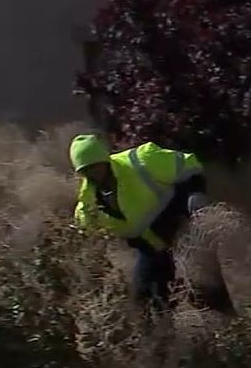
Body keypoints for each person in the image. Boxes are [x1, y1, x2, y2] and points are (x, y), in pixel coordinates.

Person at [69, 134, 212, 313]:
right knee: (146, 304)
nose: (92, 173)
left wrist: (196, 195)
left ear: (104, 160)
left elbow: (190, 165)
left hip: (184, 232)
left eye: (95, 166)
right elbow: (86, 234)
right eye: (85, 170)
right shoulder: (88, 204)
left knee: (207, 289)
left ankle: (231, 332)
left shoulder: (141, 160)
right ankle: (171, 338)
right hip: (152, 251)